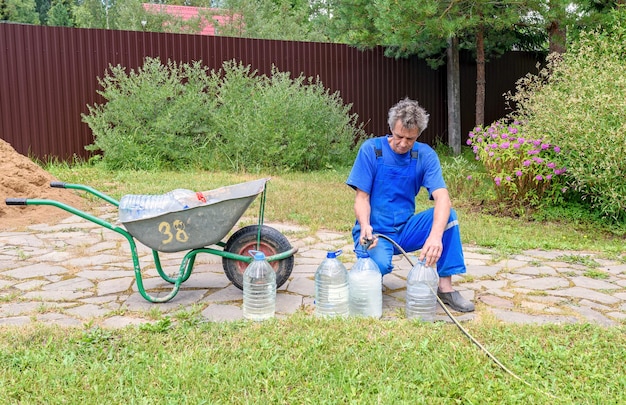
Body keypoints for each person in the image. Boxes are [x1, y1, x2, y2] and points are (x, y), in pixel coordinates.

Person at [346, 98, 474, 312]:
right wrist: (365, 224)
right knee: (377, 270)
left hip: (406, 230)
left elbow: (442, 197)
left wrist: (435, 236)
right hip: (375, 233)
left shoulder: (424, 155)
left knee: (448, 217)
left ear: (418, 135)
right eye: (399, 136)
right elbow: (361, 198)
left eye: (410, 139)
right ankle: (367, 268)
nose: (403, 143)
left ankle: (445, 288)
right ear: (391, 128)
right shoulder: (371, 150)